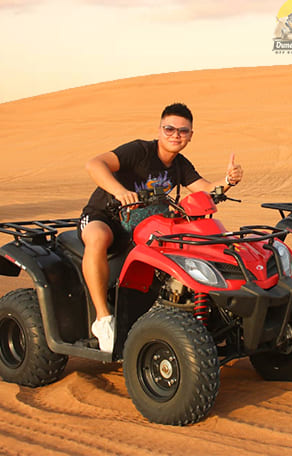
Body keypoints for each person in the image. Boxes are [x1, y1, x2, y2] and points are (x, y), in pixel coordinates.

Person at [78, 102, 243, 352]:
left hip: (144, 226)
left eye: (183, 131)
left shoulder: (180, 165)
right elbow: (94, 164)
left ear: (190, 136)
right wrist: (121, 191)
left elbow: (207, 190)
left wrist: (229, 181)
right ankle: (103, 319)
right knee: (98, 238)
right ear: (159, 130)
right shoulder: (139, 151)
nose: (175, 135)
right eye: (169, 128)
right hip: (105, 217)